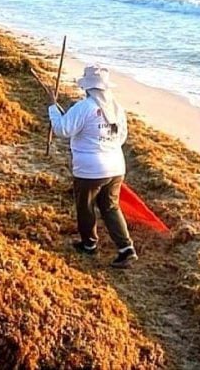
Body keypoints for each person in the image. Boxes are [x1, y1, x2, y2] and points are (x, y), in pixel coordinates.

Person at [47, 65, 137, 268]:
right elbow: (121, 137)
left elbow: (62, 129)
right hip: (116, 167)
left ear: (88, 88)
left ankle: (89, 244)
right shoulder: (116, 108)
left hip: (90, 169)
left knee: (85, 206)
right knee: (110, 207)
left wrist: (53, 107)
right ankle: (126, 249)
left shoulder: (85, 107)